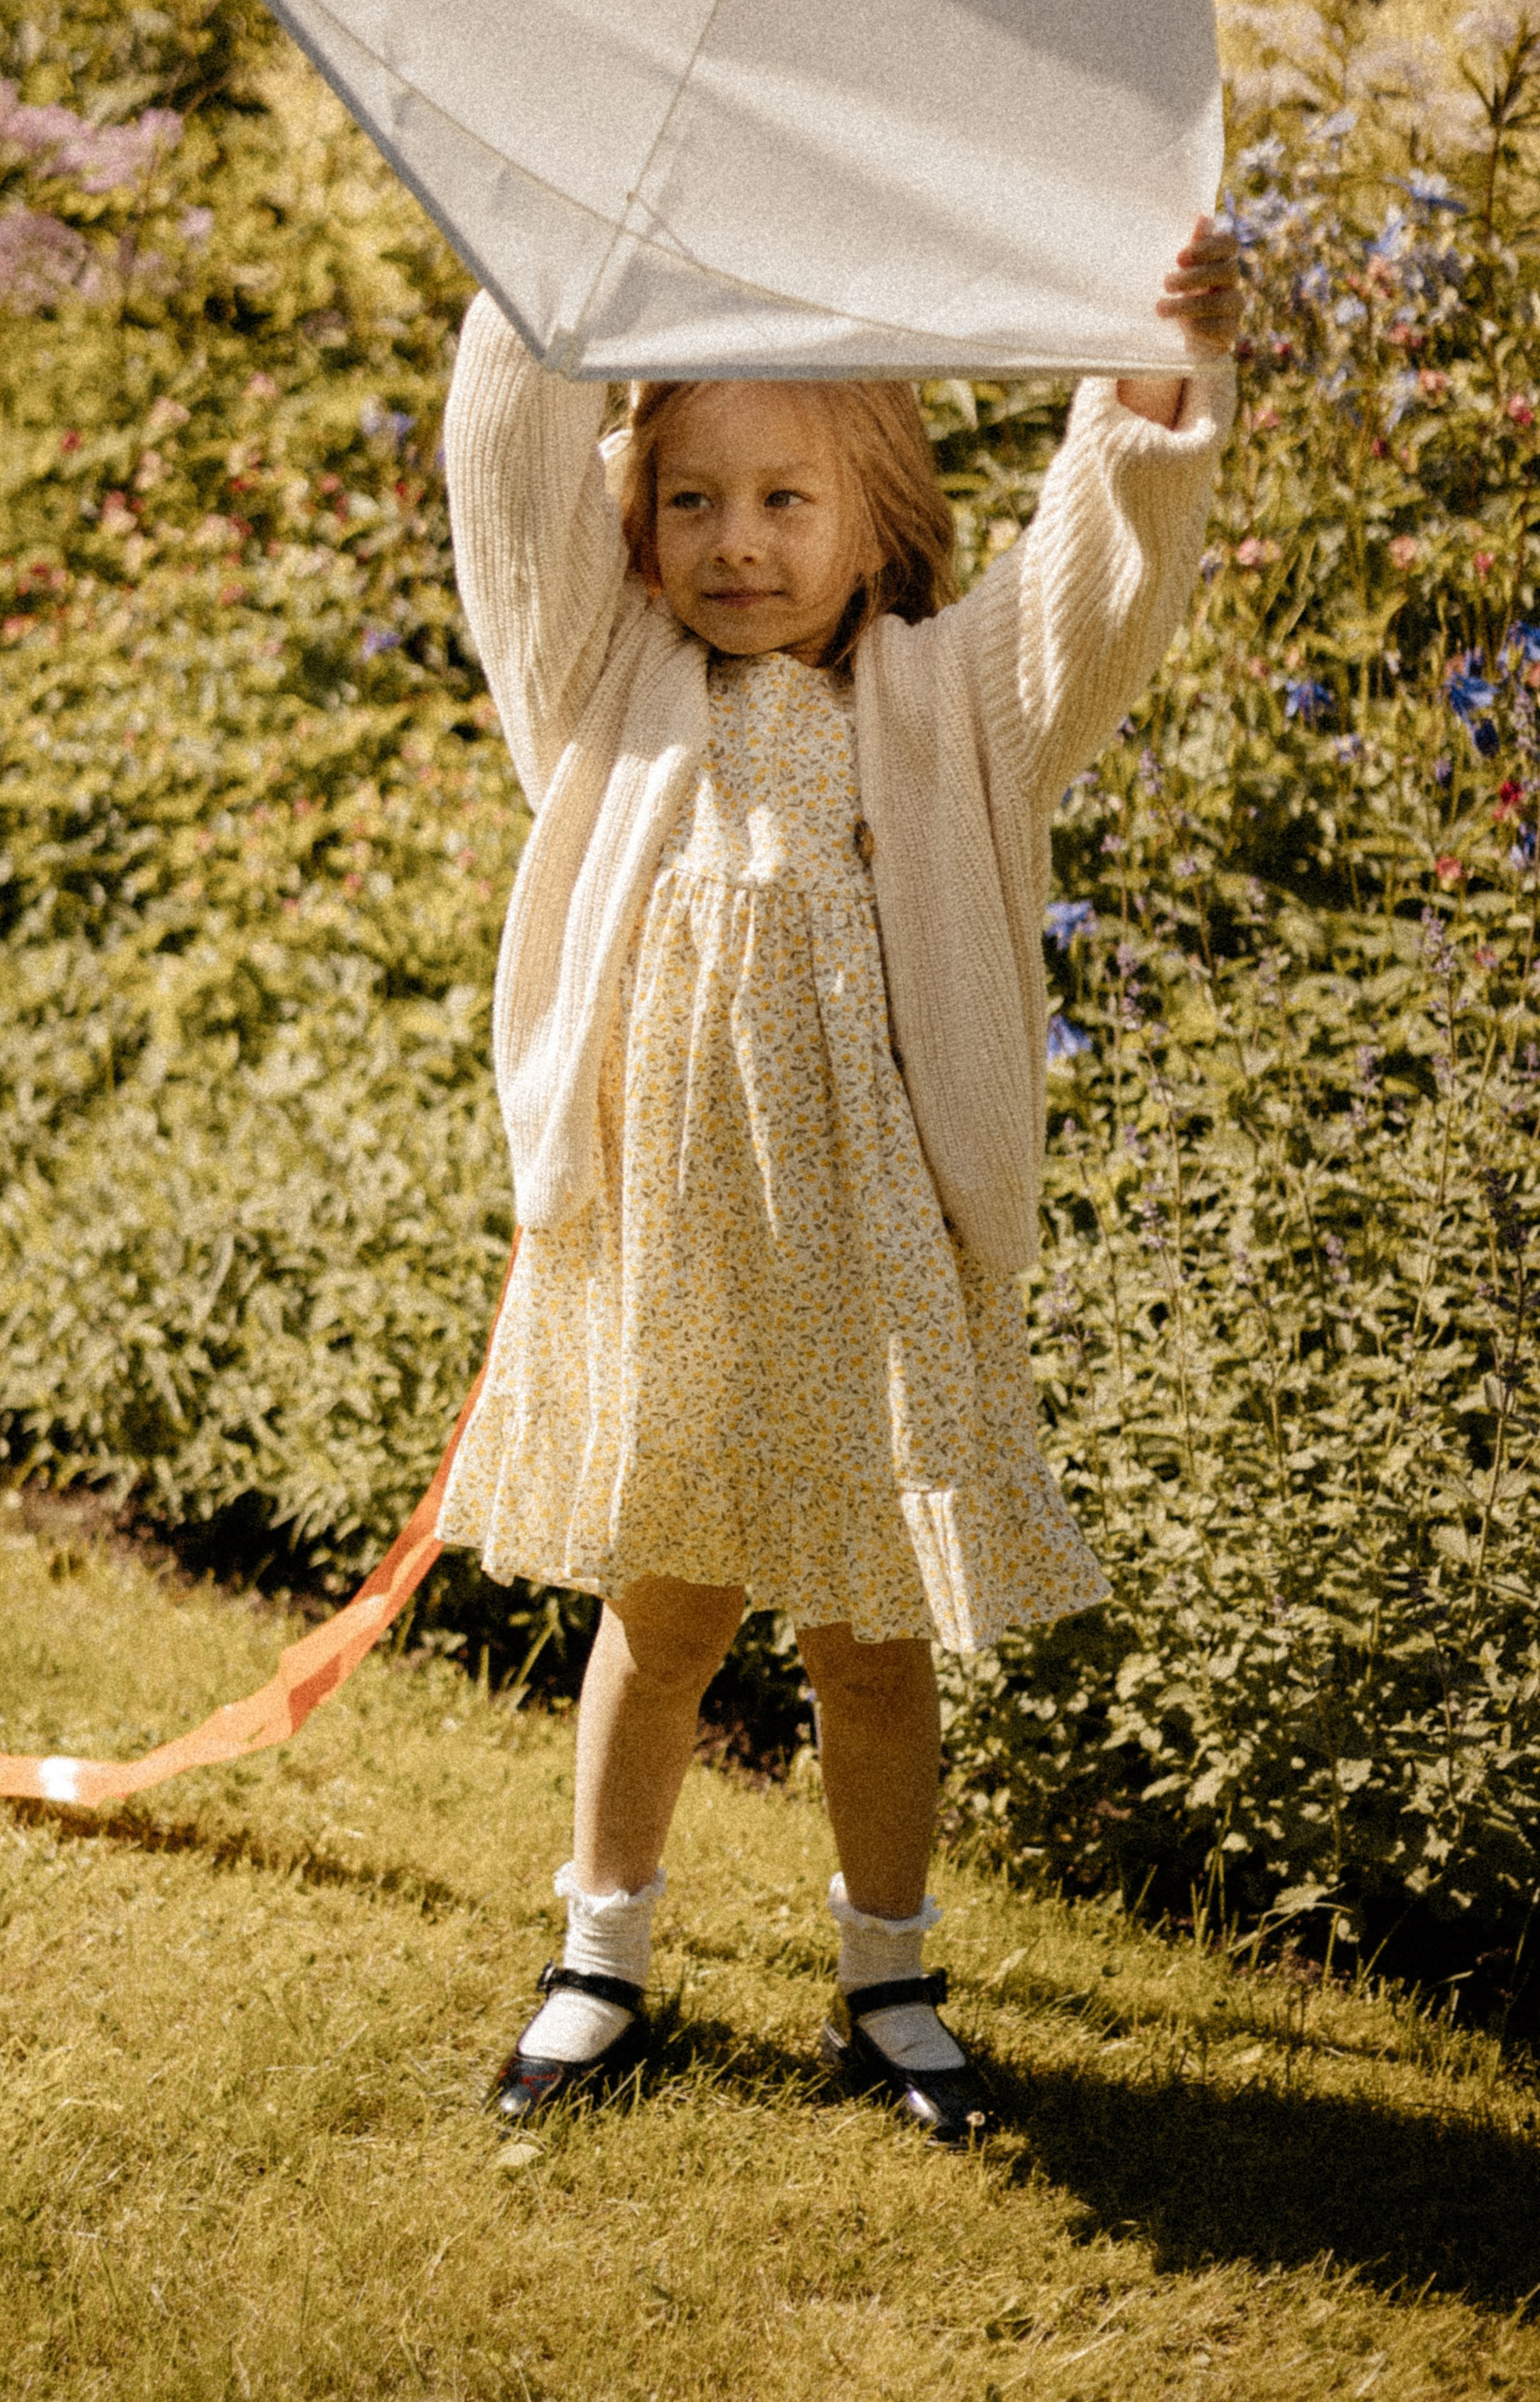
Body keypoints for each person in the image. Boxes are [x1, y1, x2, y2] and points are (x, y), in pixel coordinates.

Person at [434, 219, 1243, 2141]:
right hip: (673, 1257)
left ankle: (887, 1983)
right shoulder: (597, 683)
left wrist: (1147, 374)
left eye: (785, 497)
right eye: (690, 497)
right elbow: (502, 467)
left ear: (874, 510)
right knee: (666, 1613)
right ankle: (598, 1960)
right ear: (635, 528)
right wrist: (550, 244)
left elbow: (1094, 586)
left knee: (872, 1642)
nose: (734, 540)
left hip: (871, 1278)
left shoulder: (957, 703)